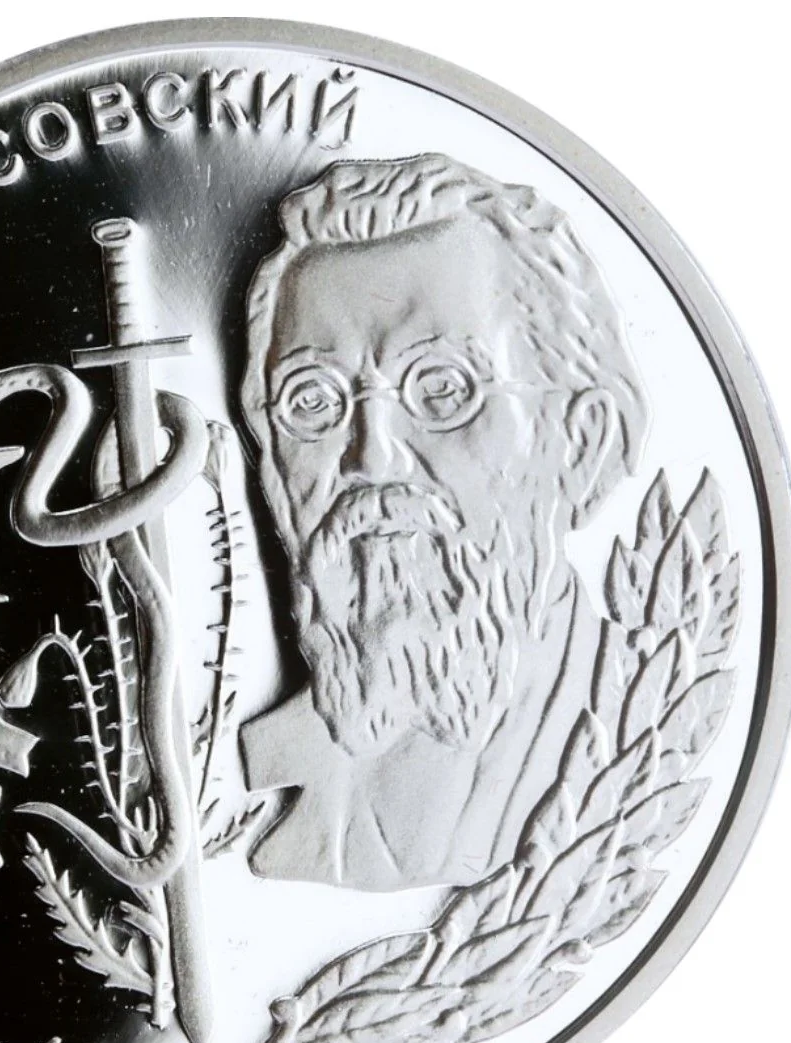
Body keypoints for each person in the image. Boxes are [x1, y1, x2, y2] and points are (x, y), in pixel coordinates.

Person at [238, 153, 650, 891]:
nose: (373, 457)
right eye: (313, 401)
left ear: (580, 443)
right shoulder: (235, 768)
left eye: (442, 391)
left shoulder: (636, 732)